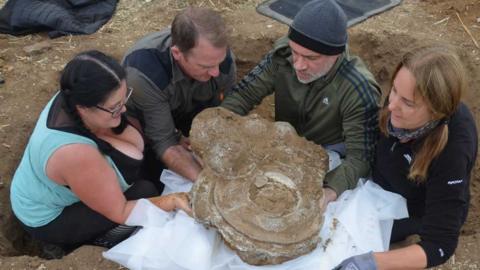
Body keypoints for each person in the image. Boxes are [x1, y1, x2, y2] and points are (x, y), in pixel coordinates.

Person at [9, 51, 191, 257]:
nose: (122, 111)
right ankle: (86, 243)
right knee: (144, 190)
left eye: (124, 99)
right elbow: (120, 211)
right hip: (50, 217)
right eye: (114, 107)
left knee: (152, 166)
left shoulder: (77, 95)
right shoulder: (75, 154)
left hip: (60, 183)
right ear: (84, 108)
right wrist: (172, 201)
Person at [221, 0, 380, 206]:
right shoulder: (283, 55)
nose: (298, 64)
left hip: (330, 154)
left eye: (311, 58)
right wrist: (220, 130)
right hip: (285, 143)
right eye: (295, 52)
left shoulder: (358, 88)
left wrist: (329, 192)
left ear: (336, 54)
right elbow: (243, 94)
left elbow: (360, 158)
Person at [334, 45, 478, 269]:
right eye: (393, 90)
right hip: (377, 182)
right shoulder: (397, 103)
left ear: (436, 111)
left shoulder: (453, 149)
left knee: (340, 240)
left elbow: (440, 244)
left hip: (407, 210)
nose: (391, 106)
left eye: (408, 103)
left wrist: (371, 263)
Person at [122, 6, 236, 186]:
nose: (215, 72)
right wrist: (211, 185)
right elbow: (164, 142)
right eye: (205, 67)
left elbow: (225, 115)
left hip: (187, 110)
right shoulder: (145, 72)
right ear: (177, 53)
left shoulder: (219, 58)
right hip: (146, 124)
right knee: (150, 181)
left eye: (218, 63)